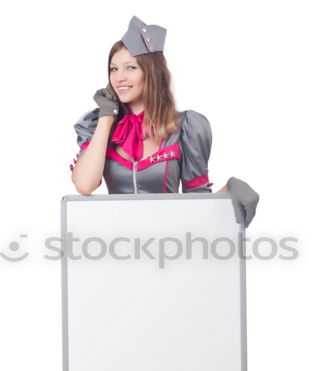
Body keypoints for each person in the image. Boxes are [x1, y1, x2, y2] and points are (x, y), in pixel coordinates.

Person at [70, 16, 259, 227]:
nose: (119, 77)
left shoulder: (185, 128)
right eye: (114, 69)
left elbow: (197, 204)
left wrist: (231, 190)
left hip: (170, 246)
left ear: (151, 73)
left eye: (130, 68)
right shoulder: (98, 126)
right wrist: (107, 116)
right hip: (116, 247)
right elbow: (85, 185)